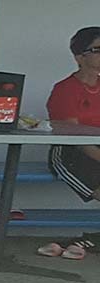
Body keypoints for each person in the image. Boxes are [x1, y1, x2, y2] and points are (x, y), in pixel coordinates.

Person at [39, 26, 100, 259]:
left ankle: (87, 241)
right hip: (71, 152)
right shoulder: (65, 89)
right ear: (79, 57)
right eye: (98, 49)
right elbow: (74, 138)